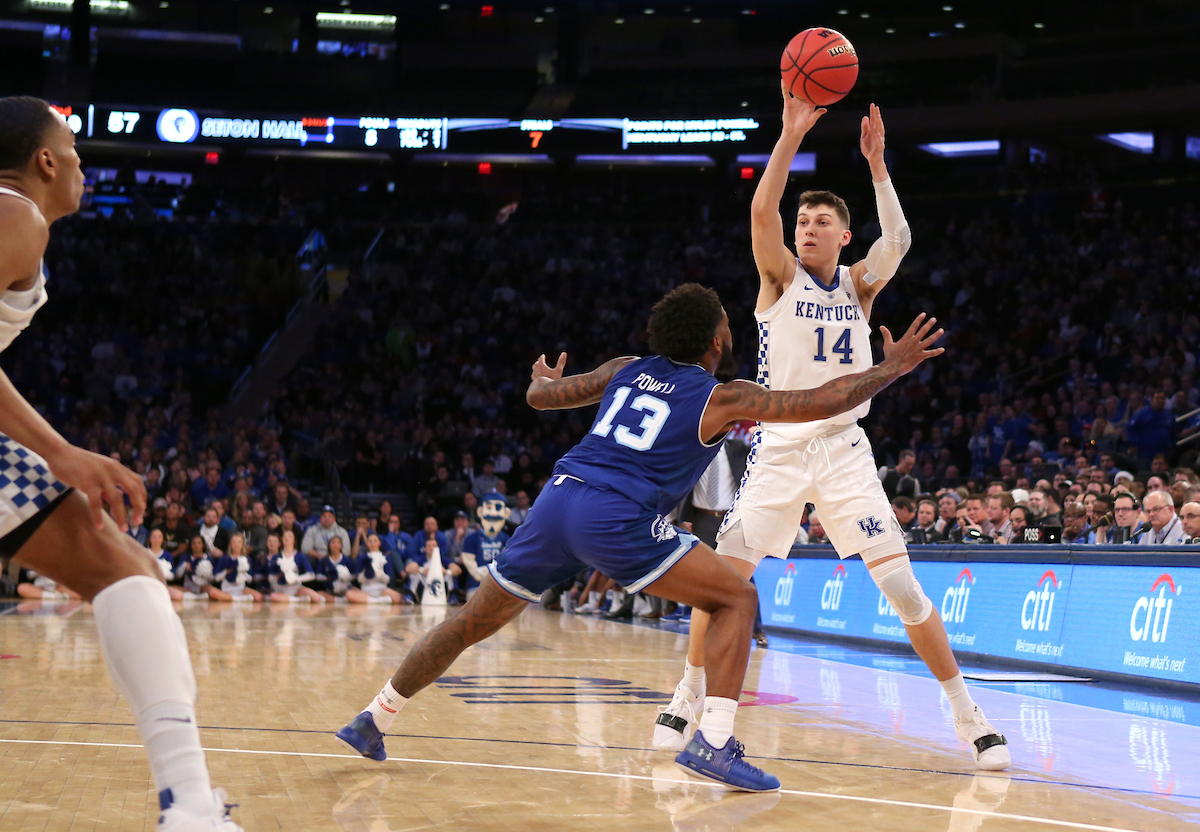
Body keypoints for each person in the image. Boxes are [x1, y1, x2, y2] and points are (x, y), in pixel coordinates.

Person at [336, 282, 944, 792]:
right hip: (615, 515)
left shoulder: (623, 370)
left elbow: (541, 396)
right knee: (735, 598)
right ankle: (714, 742)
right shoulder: (722, 397)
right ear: (714, 340)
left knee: (469, 622)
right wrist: (892, 368)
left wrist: (541, 379)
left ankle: (374, 716)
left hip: (556, 502)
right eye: (727, 327)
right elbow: (819, 400)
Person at [652, 90, 1008, 773]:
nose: (807, 227)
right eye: (803, 219)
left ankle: (968, 713)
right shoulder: (779, 278)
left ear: (844, 236)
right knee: (724, 581)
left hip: (845, 453)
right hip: (780, 451)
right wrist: (787, 137)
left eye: (820, 221)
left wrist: (878, 167)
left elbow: (898, 242)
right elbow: (761, 211)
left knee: (904, 591)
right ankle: (688, 690)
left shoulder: (858, 286)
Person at [0, 99, 241, 828]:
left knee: (124, 564)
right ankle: (189, 806)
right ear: (45, 161)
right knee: (123, 567)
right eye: (72, 149)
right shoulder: (17, 217)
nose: (81, 163)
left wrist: (55, 451)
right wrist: (59, 450)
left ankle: (190, 803)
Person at [268, 529, 323, 603]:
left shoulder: (300, 556)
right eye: (285, 536)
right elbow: (270, 577)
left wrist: (296, 578)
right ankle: (299, 600)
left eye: (290, 536)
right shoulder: (276, 557)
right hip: (281, 588)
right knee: (273, 597)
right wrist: (277, 577)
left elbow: (311, 575)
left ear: (294, 541)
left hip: (295, 587)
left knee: (316, 597)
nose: (287, 538)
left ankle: (289, 599)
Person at [348, 532, 404, 605]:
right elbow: (359, 580)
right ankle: (378, 601)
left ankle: (374, 600)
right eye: (370, 541)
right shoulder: (362, 557)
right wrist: (366, 574)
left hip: (382, 589)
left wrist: (379, 574)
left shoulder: (386, 558)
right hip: (366, 590)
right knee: (349, 594)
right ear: (367, 543)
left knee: (399, 597)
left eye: (375, 541)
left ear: (379, 543)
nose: (372, 543)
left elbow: (387, 580)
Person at [209, 532, 263, 602]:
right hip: (227, 589)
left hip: (240, 589)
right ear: (230, 544)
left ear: (243, 544)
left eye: (239, 542)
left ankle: (231, 598)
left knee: (258, 596)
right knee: (213, 593)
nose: (236, 545)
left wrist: (243, 573)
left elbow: (250, 579)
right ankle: (237, 599)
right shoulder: (224, 558)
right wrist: (226, 572)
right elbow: (216, 578)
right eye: (234, 542)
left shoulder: (246, 559)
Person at [317, 533, 359, 602]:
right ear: (329, 545)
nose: (335, 545)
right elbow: (318, 576)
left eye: (338, 543)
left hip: (345, 588)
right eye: (333, 542)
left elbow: (354, 575)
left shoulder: (346, 559)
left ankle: (344, 598)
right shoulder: (324, 560)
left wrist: (346, 577)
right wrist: (328, 578)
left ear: (341, 546)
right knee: (319, 594)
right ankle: (340, 600)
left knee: (356, 592)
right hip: (330, 590)